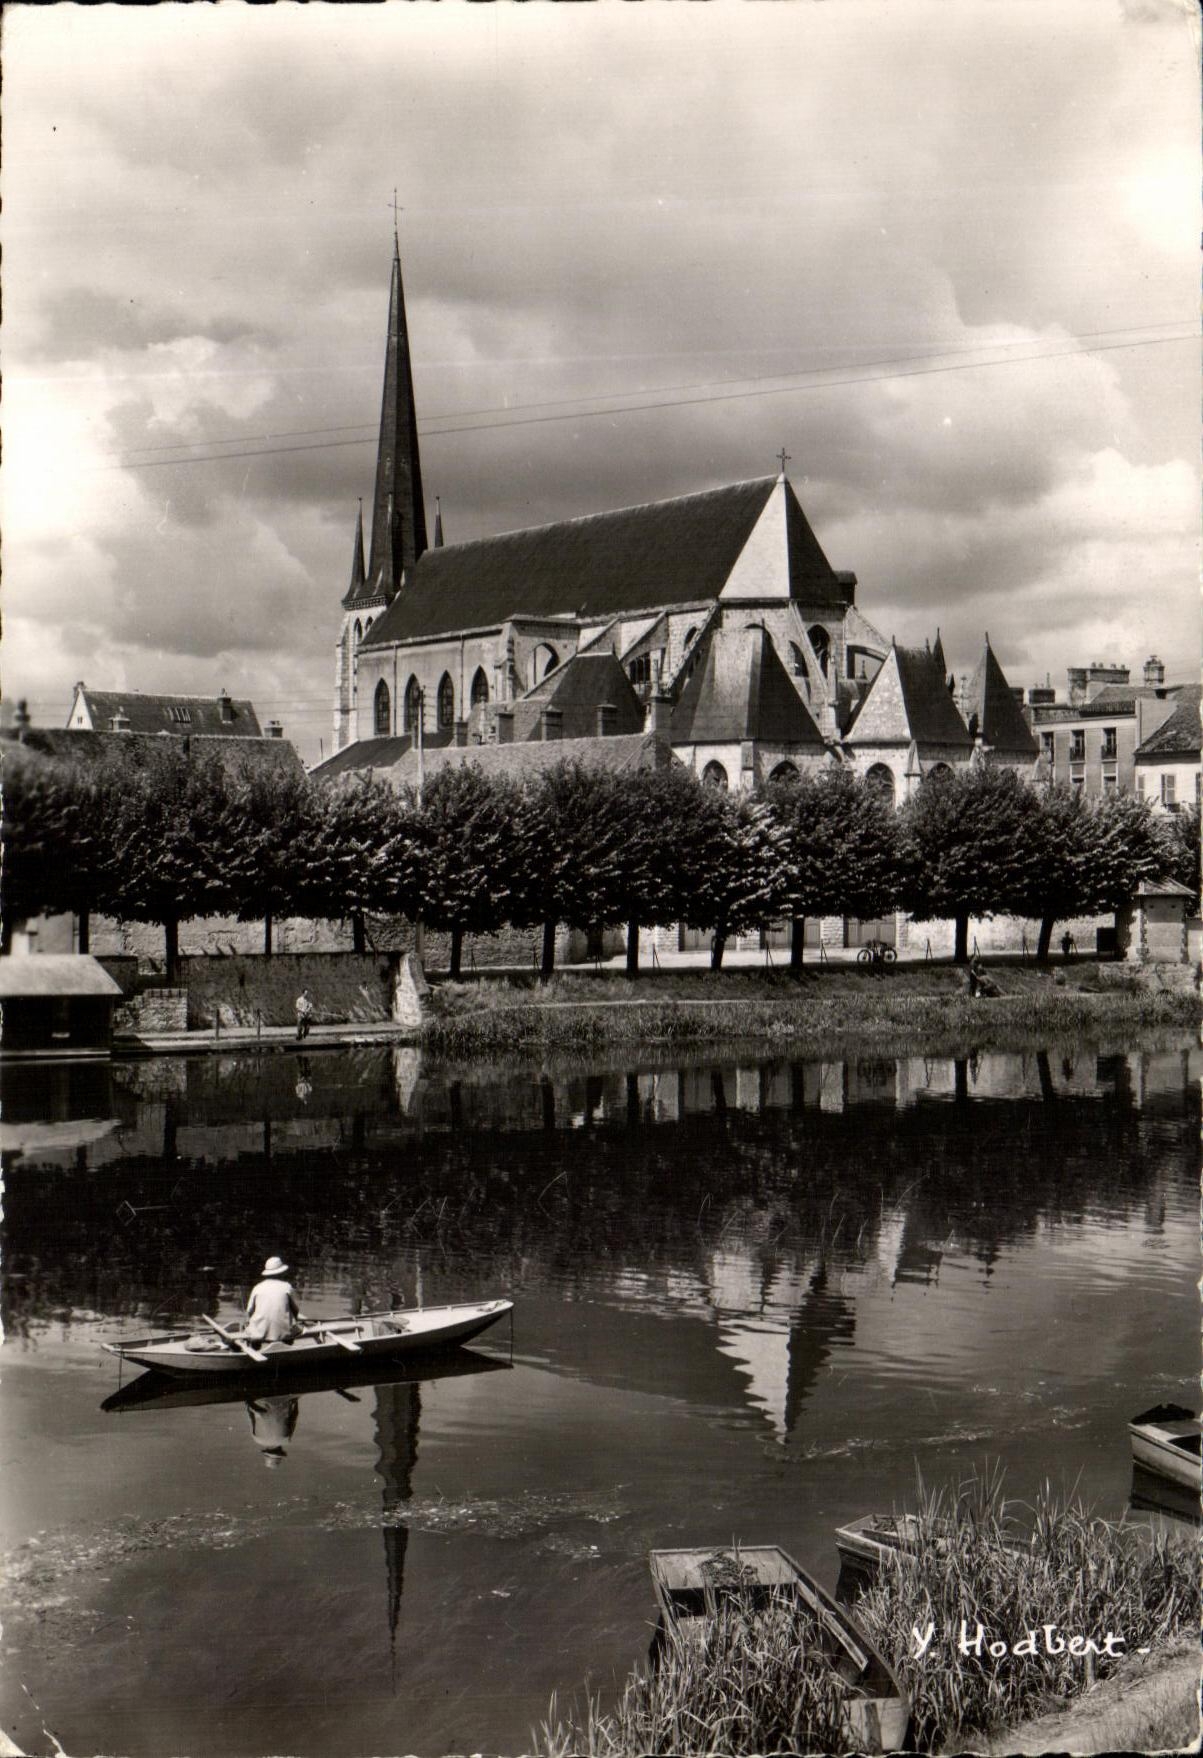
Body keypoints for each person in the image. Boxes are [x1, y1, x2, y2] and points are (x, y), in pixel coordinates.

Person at [244, 1255, 305, 1346]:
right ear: (281, 1273)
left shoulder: (257, 1288)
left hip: (259, 1332)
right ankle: (286, 1346)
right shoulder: (287, 1287)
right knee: (296, 1328)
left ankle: (256, 1347)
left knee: (251, 1327)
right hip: (283, 1332)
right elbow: (296, 1311)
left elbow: (249, 1311)